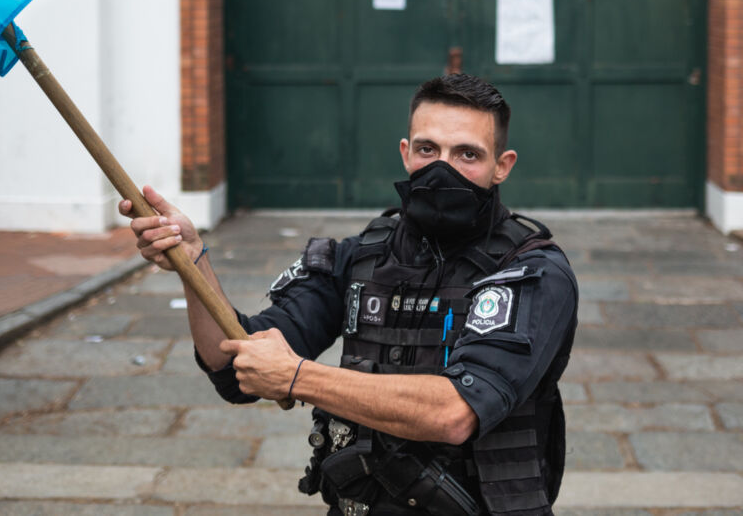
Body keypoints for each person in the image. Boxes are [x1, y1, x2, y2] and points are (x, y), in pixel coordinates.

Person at [124, 73, 578, 516]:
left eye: (467, 154)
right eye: (428, 149)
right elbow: (235, 360)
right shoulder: (360, 256)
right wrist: (193, 263)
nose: (443, 168)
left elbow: (455, 412)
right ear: (406, 153)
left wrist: (297, 377)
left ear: (502, 166)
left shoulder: (532, 272)